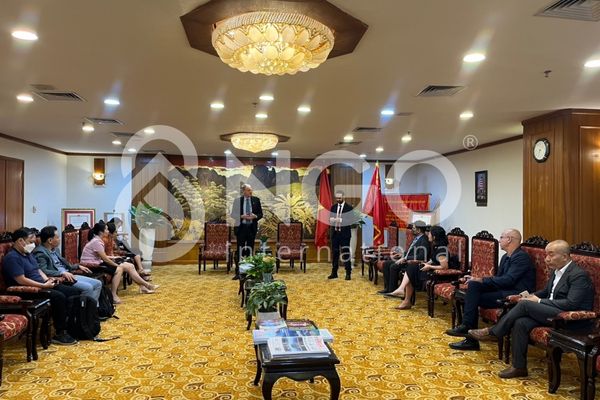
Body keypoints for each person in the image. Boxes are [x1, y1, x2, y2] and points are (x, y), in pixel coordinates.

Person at [468, 240, 594, 378]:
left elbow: (571, 304)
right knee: (521, 322)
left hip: (570, 318)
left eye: (551, 255)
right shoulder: (557, 270)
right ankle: (519, 367)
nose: (547, 259)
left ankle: (495, 332)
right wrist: (522, 296)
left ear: (564, 256)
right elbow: (545, 292)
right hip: (552, 311)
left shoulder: (578, 275)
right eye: (546, 255)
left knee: (525, 305)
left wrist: (538, 301)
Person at [447, 228, 535, 351]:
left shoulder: (521, 257)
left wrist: (482, 280)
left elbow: (509, 280)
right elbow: (499, 278)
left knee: (472, 298)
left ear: (509, 239)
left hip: (515, 294)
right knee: (473, 285)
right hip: (504, 289)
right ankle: (467, 328)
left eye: (501, 237)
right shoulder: (506, 257)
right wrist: (477, 279)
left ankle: (469, 336)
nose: (499, 240)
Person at [2, 227, 79, 345]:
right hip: (27, 291)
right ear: (20, 241)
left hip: (42, 285)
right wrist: (43, 285)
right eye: (30, 242)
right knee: (59, 297)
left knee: (73, 292)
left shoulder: (27, 254)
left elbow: (38, 270)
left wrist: (48, 280)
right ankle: (60, 333)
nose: (33, 245)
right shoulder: (12, 258)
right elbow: (21, 280)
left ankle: (72, 326)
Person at [80, 222, 158, 304]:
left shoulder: (97, 240)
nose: (108, 231)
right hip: (91, 265)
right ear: (101, 232)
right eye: (106, 229)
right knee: (119, 269)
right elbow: (105, 259)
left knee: (130, 266)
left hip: (97, 262)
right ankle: (113, 295)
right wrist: (116, 265)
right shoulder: (97, 242)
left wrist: (113, 258)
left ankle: (144, 286)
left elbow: (102, 256)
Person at [386, 225, 454, 310]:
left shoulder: (442, 250)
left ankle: (404, 296)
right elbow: (432, 260)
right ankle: (404, 296)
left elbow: (444, 267)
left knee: (411, 270)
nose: (428, 234)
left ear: (434, 237)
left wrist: (429, 266)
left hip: (438, 275)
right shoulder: (435, 246)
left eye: (430, 233)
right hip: (430, 270)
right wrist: (423, 263)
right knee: (412, 267)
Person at [34, 225, 102, 305]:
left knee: (98, 283)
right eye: (57, 237)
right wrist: (62, 273)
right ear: (50, 240)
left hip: (69, 275)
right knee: (88, 288)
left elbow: (64, 264)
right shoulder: (40, 252)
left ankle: (93, 309)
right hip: (61, 278)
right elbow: (43, 270)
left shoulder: (55, 249)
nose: (59, 239)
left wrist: (78, 266)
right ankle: (83, 311)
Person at [378, 221, 429, 294]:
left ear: (419, 230)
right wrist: (401, 255)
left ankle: (392, 290)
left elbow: (421, 256)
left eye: (414, 228)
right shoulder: (417, 238)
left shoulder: (424, 240)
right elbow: (410, 251)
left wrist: (405, 258)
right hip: (406, 260)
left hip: (413, 263)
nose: (412, 230)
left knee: (394, 266)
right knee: (386, 264)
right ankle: (387, 288)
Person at [230, 184, 263, 279]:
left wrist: (255, 216)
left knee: (250, 250)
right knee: (240, 250)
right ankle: (238, 272)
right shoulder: (237, 201)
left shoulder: (256, 200)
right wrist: (241, 216)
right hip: (241, 229)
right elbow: (233, 214)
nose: (250, 192)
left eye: (251, 190)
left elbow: (260, 214)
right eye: (248, 190)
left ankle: (250, 272)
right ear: (243, 191)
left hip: (251, 228)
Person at [328, 191, 353, 280]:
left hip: (344, 235)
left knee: (346, 253)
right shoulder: (333, 207)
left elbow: (350, 220)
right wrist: (331, 220)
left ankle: (348, 273)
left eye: (340, 198)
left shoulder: (349, 208)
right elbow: (330, 219)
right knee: (335, 253)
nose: (338, 199)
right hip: (335, 234)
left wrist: (340, 220)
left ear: (343, 197)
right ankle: (334, 272)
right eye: (337, 198)